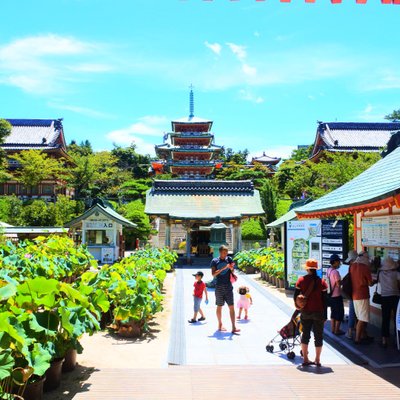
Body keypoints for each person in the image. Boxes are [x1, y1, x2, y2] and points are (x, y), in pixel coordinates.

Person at [294, 259, 328, 367]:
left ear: (307, 269)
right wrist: (325, 315)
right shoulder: (322, 282)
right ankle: (317, 359)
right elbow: (325, 301)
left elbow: (296, 296)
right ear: (316, 269)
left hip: (306, 312)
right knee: (318, 336)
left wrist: (298, 305)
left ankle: (305, 359)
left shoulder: (301, 280)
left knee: (305, 335)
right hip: (318, 312)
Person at [211, 245, 240, 334]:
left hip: (228, 286)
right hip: (219, 286)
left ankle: (234, 327)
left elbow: (232, 271)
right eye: (224, 252)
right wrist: (223, 268)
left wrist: (231, 268)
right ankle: (220, 324)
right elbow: (213, 274)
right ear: (220, 252)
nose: (225, 254)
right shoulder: (215, 261)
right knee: (219, 306)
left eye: (226, 252)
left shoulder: (229, 259)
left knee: (231, 306)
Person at [350, 251, 374, 345]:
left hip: (354, 294)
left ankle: (363, 335)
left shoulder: (352, 266)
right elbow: (370, 283)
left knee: (359, 316)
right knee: (362, 318)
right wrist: (374, 282)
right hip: (363, 295)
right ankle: (357, 339)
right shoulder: (365, 268)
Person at [378, 257, 400, 348]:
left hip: (385, 298)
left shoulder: (380, 274)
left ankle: (384, 340)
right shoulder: (397, 274)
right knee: (397, 318)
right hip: (395, 297)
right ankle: (397, 339)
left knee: (385, 318)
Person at [327, 254, 345, 335]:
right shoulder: (335, 272)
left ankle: (333, 329)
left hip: (331, 295)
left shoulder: (329, 270)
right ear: (335, 262)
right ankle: (337, 330)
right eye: (338, 262)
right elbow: (338, 284)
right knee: (340, 313)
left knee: (333, 313)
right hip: (337, 295)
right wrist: (343, 281)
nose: (339, 263)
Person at [345, 250, 358, 339]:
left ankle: (350, 331)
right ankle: (353, 331)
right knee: (356, 313)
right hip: (357, 293)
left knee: (352, 312)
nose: (350, 262)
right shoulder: (358, 267)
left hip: (351, 292)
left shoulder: (350, 268)